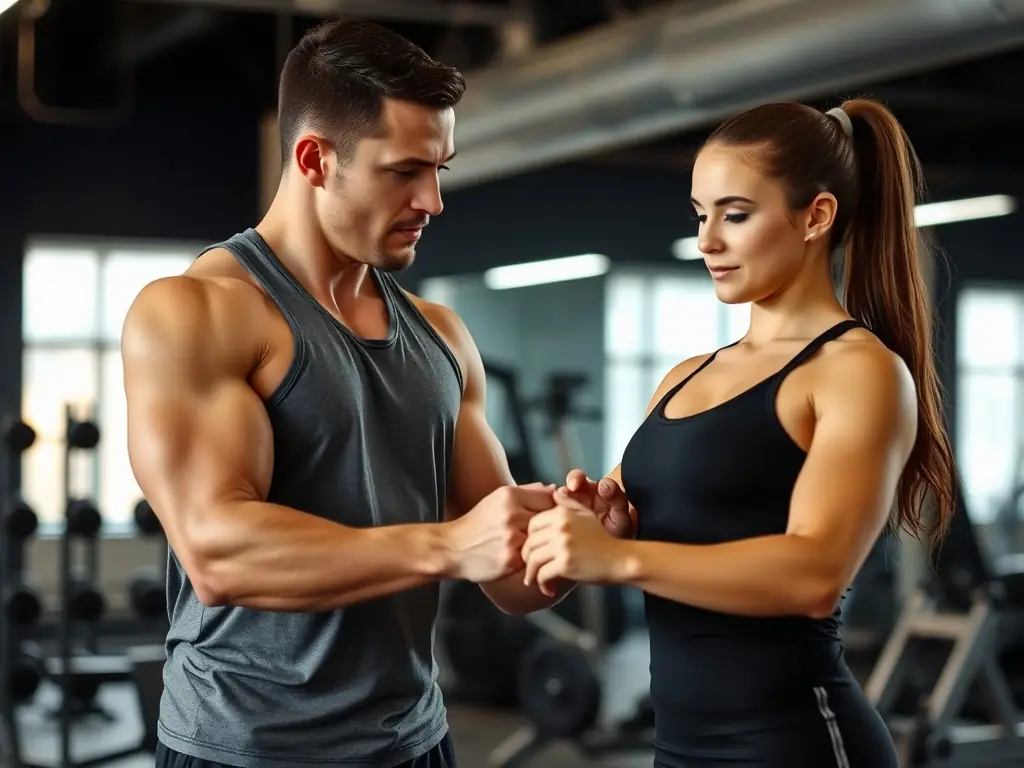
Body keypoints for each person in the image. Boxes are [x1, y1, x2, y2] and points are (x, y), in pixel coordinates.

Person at [121, 18, 582, 768]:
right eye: (404, 171)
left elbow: (508, 580)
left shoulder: (442, 337)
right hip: (249, 751)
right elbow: (219, 552)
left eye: (441, 170)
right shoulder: (198, 312)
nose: (433, 200)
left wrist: (570, 542)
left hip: (415, 743)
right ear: (314, 159)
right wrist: (446, 544)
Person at [520, 98, 958, 767]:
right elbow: (662, 535)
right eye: (701, 215)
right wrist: (611, 524)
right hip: (680, 749)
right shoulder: (682, 378)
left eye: (735, 214)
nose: (706, 241)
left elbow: (814, 573)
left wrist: (620, 561)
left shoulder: (856, 369)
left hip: (796, 746)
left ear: (815, 216)